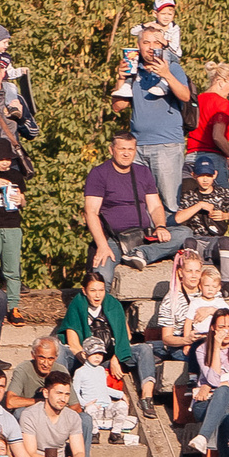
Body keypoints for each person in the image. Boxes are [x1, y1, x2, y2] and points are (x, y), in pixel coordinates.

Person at [82, 133, 192, 289]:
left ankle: (142, 254)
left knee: (184, 233)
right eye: (122, 149)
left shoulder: (143, 172)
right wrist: (102, 245)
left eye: (130, 149)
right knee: (101, 276)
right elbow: (90, 212)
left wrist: (160, 226)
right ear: (111, 150)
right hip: (116, 240)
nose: (126, 153)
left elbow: (155, 206)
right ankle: (101, 312)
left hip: (144, 235)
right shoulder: (99, 173)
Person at [113, 17, 193, 209]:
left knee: (169, 202)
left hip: (166, 145)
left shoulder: (172, 67)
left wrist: (166, 75)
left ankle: (173, 237)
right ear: (138, 45)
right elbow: (118, 107)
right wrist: (120, 78)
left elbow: (185, 96)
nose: (150, 47)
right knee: (139, 200)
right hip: (137, 146)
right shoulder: (133, 68)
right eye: (146, 42)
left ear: (163, 44)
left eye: (155, 42)